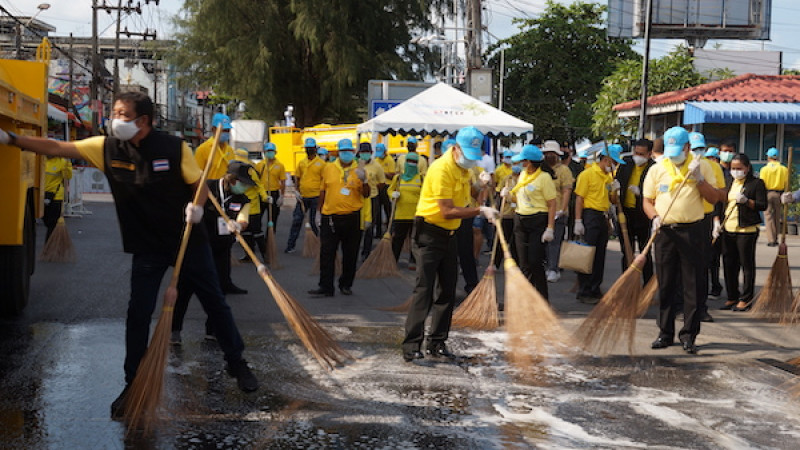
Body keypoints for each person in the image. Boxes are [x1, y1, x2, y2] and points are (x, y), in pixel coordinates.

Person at [0, 92, 258, 417]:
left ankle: (237, 363)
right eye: (114, 112)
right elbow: (56, 148)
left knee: (215, 302)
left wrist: (198, 208)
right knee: (138, 314)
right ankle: (133, 383)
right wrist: (10, 138)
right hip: (147, 245)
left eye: (122, 113)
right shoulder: (107, 147)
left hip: (187, 240)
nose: (115, 118)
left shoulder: (175, 148)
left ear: (143, 121)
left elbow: (199, 185)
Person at [402, 126, 498, 362]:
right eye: (466, 154)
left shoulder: (465, 170)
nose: (470, 160)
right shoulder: (441, 169)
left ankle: (438, 342)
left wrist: (481, 187)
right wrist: (480, 210)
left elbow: (467, 199)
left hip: (450, 234)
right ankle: (412, 344)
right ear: (455, 149)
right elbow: (446, 211)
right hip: (430, 232)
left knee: (447, 289)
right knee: (424, 289)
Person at [643, 126, 722, 354]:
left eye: (680, 149)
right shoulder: (657, 169)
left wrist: (700, 180)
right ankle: (664, 332)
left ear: (688, 147)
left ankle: (689, 335)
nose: (675, 153)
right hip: (665, 232)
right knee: (666, 283)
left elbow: (715, 197)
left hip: (693, 230)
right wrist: (654, 217)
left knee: (693, 284)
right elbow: (648, 200)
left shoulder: (702, 165)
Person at [172, 161, 253, 342]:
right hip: (195, 246)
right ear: (232, 180)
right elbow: (184, 198)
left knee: (220, 288)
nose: (245, 187)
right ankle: (174, 329)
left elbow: (244, 219)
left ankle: (212, 329)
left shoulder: (242, 199)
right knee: (184, 288)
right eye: (243, 182)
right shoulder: (206, 187)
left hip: (221, 249)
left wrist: (238, 225)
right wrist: (189, 211)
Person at [308, 139, 370, 297]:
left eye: (349, 151)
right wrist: (318, 212)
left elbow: (366, 194)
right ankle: (326, 286)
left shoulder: (360, 169)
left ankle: (346, 284)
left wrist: (364, 181)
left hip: (352, 217)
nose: (346, 154)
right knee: (327, 253)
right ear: (338, 153)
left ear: (353, 152)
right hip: (330, 217)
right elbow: (323, 190)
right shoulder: (329, 168)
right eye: (343, 151)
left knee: (350, 254)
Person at [501, 144, 556, 299]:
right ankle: (526, 298)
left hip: (537, 220)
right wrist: (508, 196)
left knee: (535, 262)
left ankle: (542, 299)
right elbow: (518, 197)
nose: (521, 164)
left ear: (530, 162)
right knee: (523, 263)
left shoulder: (544, 178)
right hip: (520, 219)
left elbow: (552, 203)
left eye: (523, 161)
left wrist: (550, 227)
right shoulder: (523, 175)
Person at [573, 144, 624, 304]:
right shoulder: (587, 174)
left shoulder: (609, 177)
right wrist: (578, 220)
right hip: (589, 216)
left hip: (603, 216)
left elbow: (613, 201)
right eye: (613, 163)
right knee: (588, 255)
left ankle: (595, 288)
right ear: (606, 160)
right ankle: (584, 290)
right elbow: (579, 199)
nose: (614, 166)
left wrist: (616, 190)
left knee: (600, 256)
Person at [717, 153, 767, 311]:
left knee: (746, 265)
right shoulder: (729, 181)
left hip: (747, 229)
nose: (736, 171)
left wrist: (747, 201)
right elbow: (721, 202)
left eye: (739, 168)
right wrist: (717, 222)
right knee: (728, 264)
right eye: (733, 168)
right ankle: (732, 296)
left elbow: (762, 205)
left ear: (747, 168)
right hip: (728, 228)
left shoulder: (756, 183)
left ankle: (746, 299)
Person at [615, 139, 654, 282]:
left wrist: (641, 193)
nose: (637, 156)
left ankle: (647, 283)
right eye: (635, 153)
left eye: (641, 154)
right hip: (625, 213)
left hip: (643, 214)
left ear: (649, 154)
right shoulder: (626, 163)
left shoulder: (653, 168)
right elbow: (618, 180)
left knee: (645, 252)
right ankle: (626, 282)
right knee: (626, 251)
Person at [542, 140, 574, 283]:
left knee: (554, 242)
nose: (549, 155)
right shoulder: (540, 169)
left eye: (552, 153)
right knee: (543, 241)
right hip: (542, 210)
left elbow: (566, 191)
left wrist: (562, 209)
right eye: (547, 153)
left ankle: (553, 268)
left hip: (558, 211)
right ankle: (546, 265)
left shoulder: (563, 170)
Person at [285, 138, 325, 253]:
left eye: (311, 148)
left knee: (314, 222)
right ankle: (290, 245)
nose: (309, 150)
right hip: (303, 197)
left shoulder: (321, 164)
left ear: (315, 149)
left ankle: (320, 245)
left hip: (316, 197)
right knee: (297, 220)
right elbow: (297, 177)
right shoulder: (302, 163)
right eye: (307, 148)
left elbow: (324, 181)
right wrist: (296, 190)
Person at [388, 151, 423, 267]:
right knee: (398, 239)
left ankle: (413, 261)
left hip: (416, 214)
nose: (411, 164)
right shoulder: (398, 178)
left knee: (415, 239)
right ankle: (393, 261)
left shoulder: (421, 178)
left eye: (414, 162)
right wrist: (392, 194)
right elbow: (390, 190)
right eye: (409, 161)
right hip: (400, 214)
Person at [358, 142, 386, 260]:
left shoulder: (377, 166)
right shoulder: (356, 165)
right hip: (357, 198)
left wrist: (373, 190)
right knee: (357, 225)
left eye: (367, 152)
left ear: (371, 153)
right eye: (363, 152)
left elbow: (382, 183)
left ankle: (366, 251)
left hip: (372, 199)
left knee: (369, 226)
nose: (365, 155)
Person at [704, 147, 725, 298]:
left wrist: (717, 220)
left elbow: (718, 198)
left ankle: (716, 286)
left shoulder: (722, 173)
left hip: (718, 221)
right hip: (705, 218)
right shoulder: (702, 170)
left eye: (714, 158)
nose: (713, 161)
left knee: (713, 257)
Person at [759, 147, 788, 247]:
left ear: (768, 157)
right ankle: (776, 238)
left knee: (768, 216)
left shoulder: (764, 169)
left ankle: (771, 239)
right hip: (779, 194)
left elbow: (761, 184)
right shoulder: (783, 169)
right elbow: (786, 183)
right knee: (777, 216)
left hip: (767, 193)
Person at [256, 142, 287, 233]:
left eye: (272, 151)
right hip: (262, 194)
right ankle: (258, 236)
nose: (270, 153)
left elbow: (283, 181)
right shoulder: (260, 165)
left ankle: (269, 239)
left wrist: (282, 196)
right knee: (258, 217)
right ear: (264, 152)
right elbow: (256, 180)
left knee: (273, 219)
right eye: (268, 151)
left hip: (274, 193)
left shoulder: (280, 165)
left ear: (275, 152)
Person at [195, 113, 235, 179]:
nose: (226, 133)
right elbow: (196, 177)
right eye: (223, 130)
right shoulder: (202, 149)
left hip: (224, 188)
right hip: (209, 188)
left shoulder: (230, 150)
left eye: (228, 130)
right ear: (213, 129)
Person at [42, 154, 73, 241]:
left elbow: (68, 176)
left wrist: (68, 165)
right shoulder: (41, 160)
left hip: (56, 197)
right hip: (42, 195)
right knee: (47, 221)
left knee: (52, 224)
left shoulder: (62, 162)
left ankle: (49, 246)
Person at [375, 142, 396, 236]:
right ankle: (378, 232)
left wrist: (382, 173)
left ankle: (389, 230)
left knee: (388, 209)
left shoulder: (390, 160)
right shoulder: (376, 160)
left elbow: (392, 175)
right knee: (377, 211)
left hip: (387, 187)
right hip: (378, 186)